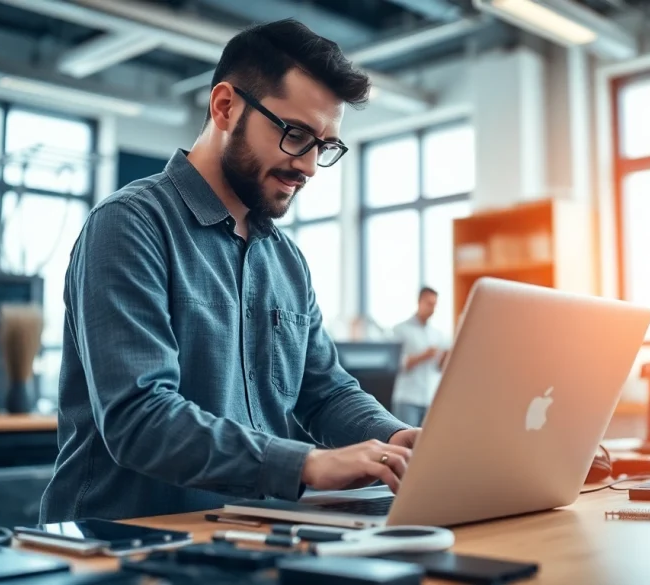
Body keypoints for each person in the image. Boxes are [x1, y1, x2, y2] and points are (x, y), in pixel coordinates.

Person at [39, 19, 419, 523]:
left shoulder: (286, 260)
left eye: (324, 147)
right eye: (295, 135)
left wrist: (397, 438)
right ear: (224, 107)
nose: (308, 166)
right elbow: (138, 417)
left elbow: (325, 391)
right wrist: (305, 464)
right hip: (122, 543)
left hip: (246, 535)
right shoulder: (129, 225)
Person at [391, 287, 450, 427]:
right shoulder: (400, 330)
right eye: (429, 304)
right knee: (406, 438)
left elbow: (438, 368)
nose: (432, 309)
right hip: (408, 398)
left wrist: (446, 358)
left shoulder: (437, 334)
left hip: (429, 399)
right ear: (419, 302)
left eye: (435, 305)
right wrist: (424, 355)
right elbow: (396, 364)